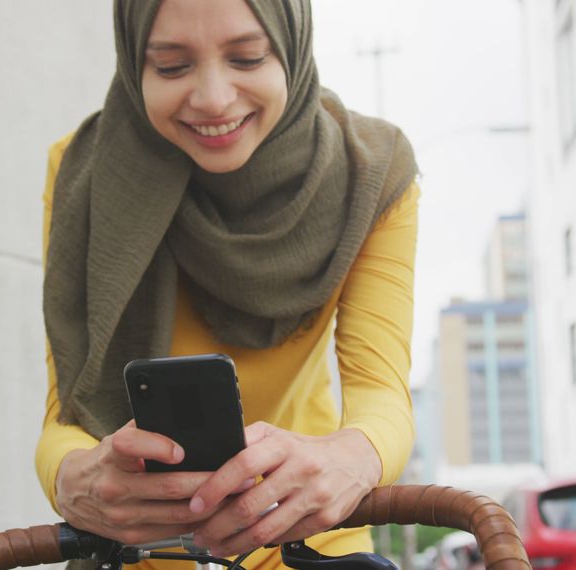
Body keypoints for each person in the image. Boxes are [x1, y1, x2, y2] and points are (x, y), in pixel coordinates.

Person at [35, 0, 420, 567]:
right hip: (142, 551)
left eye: (246, 57)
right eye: (170, 67)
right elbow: (65, 414)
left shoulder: (371, 175)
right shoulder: (82, 172)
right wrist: (71, 477)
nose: (214, 98)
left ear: (290, 46)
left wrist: (350, 460)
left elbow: (382, 396)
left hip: (307, 542)